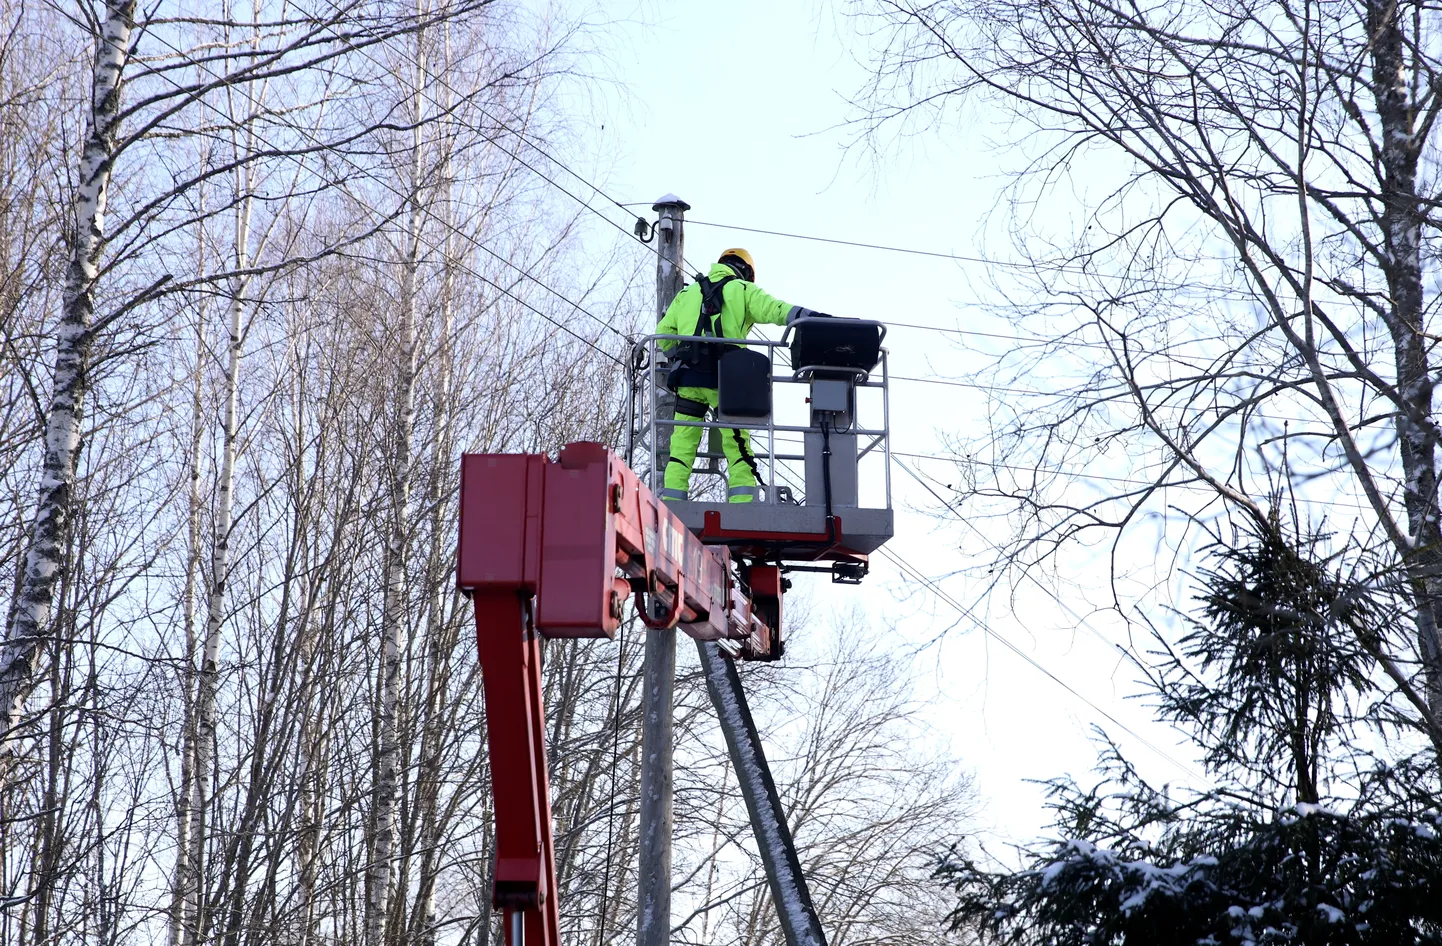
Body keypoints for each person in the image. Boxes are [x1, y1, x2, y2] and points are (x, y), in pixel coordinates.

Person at [656, 248, 809, 503]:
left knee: (681, 446)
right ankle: (742, 502)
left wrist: (679, 354)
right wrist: (808, 317)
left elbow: (664, 333)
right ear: (747, 272)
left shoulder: (687, 293)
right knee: (737, 445)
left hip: (689, 379)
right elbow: (775, 309)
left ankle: (672, 503)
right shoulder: (742, 289)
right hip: (726, 380)